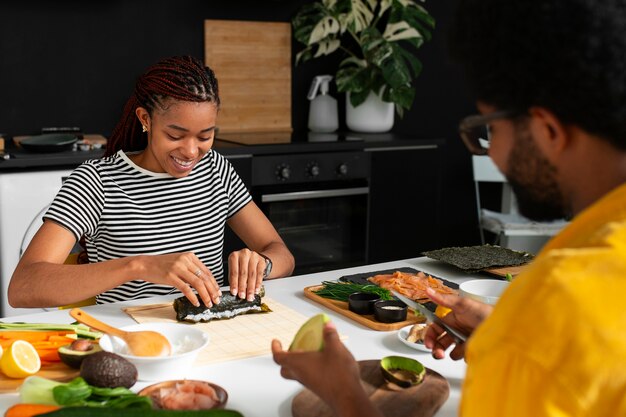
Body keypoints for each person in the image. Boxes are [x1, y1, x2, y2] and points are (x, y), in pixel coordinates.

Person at [272, 0, 626, 415]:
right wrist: (504, 333)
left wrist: (345, 393)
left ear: (547, 130)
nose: (491, 154)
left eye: (489, 128)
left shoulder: (553, 304)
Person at [9, 55, 294, 309]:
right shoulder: (96, 181)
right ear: (146, 119)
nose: (191, 151)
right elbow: (23, 287)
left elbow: (282, 253)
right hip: (132, 342)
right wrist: (138, 265)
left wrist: (262, 265)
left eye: (205, 136)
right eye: (175, 135)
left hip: (213, 334)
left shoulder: (216, 170)